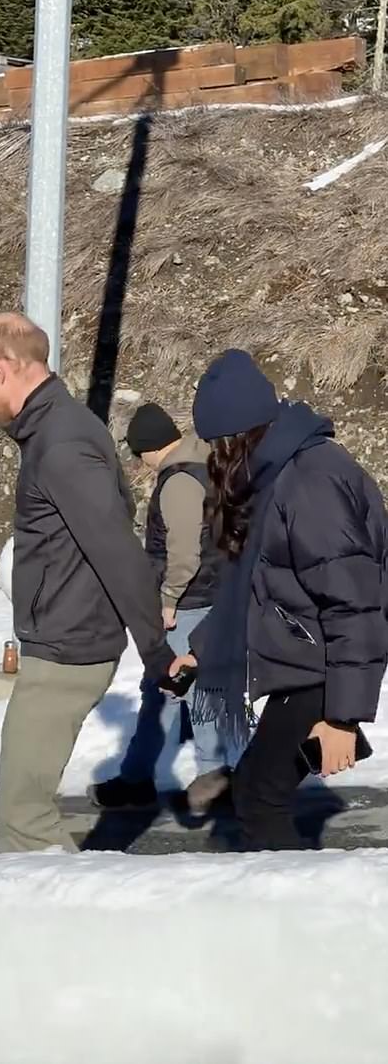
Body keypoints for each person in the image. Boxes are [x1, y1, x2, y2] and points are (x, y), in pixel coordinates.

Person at [0, 312, 178, 853]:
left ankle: (57, 928)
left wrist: (156, 650)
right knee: (23, 813)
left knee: (24, 818)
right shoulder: (55, 430)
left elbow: (115, 548)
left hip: (68, 647)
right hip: (62, 637)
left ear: (0, 366)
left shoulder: (60, 442)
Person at [176, 349, 388, 851]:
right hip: (311, 658)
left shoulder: (310, 481)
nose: (215, 459)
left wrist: (341, 718)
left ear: (237, 435)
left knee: (259, 797)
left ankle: (291, 916)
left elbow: (353, 601)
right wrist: (203, 649)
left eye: (217, 444)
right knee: (255, 790)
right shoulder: (278, 475)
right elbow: (258, 586)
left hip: (322, 666)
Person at [88, 403, 236, 814]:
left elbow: (184, 554)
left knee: (176, 686)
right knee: (177, 688)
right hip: (210, 593)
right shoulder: (205, 462)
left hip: (190, 600)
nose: (142, 465)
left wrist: (168, 601)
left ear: (149, 448)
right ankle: (168, 776)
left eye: (139, 456)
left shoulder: (179, 481)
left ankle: (205, 777)